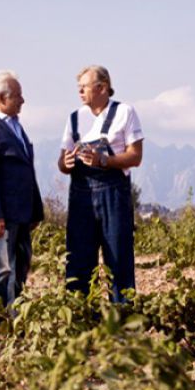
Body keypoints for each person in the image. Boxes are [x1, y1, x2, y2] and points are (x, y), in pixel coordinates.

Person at [57, 65, 144, 303]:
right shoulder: (74, 117)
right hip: (80, 196)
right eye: (79, 88)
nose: (80, 92)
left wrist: (103, 160)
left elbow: (135, 156)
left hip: (113, 195)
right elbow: (62, 163)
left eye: (84, 87)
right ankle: (82, 320)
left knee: (118, 258)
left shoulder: (125, 112)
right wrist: (65, 162)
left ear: (102, 87)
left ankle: (123, 322)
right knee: (78, 260)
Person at [0, 70, 44, 309]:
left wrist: (35, 211)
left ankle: (15, 315)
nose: (22, 100)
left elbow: (26, 171)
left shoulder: (16, 127)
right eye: (18, 96)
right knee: (2, 267)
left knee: (21, 265)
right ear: (1, 99)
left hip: (22, 213)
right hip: (4, 214)